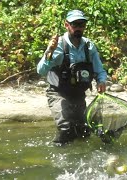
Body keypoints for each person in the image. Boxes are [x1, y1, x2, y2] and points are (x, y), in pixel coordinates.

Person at [37, 10, 107, 145]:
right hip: (58, 93)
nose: (79, 28)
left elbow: (99, 69)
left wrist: (101, 81)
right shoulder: (58, 46)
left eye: (82, 24)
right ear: (66, 25)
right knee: (65, 128)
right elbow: (41, 70)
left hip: (79, 95)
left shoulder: (89, 46)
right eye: (75, 24)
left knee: (83, 132)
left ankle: (79, 158)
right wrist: (49, 52)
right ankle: (59, 157)